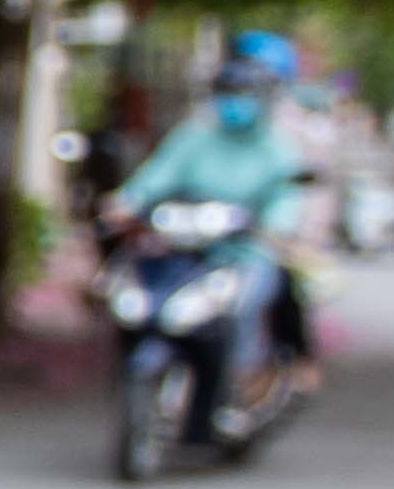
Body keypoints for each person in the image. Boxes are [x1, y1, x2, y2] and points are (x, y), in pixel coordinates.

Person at [108, 30, 319, 377]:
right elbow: (159, 174)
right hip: (190, 243)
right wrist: (128, 200)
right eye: (229, 94)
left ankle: (253, 368)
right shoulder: (196, 135)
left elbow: (286, 194)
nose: (235, 103)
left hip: (247, 248)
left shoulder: (277, 147)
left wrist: (277, 227)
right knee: (134, 276)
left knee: (265, 292)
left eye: (244, 95)